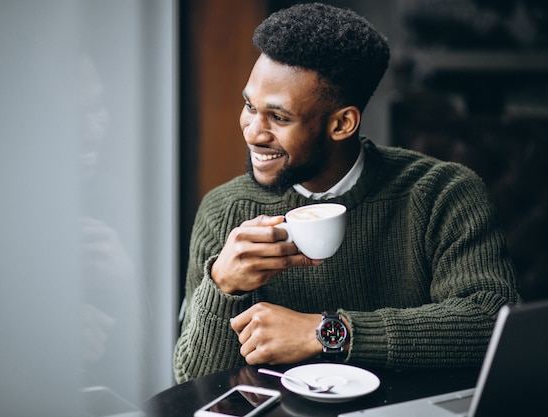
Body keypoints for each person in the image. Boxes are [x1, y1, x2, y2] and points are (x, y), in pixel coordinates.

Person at [174, 3, 520, 383]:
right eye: (248, 106)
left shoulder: (442, 193)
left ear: (342, 123)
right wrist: (223, 284)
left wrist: (325, 332)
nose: (253, 132)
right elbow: (192, 381)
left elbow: (492, 322)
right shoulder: (224, 209)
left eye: (279, 117)